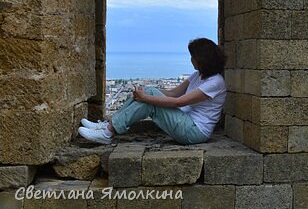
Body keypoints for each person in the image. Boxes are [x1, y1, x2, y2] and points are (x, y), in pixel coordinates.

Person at [78, 38, 227, 145]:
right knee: (149, 91)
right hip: (185, 122)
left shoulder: (215, 82)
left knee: (148, 100)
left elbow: (178, 102)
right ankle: (108, 125)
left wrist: (146, 98)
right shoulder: (198, 75)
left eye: (192, 57)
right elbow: (174, 93)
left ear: (202, 59)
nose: (191, 60)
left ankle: (107, 133)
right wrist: (147, 92)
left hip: (195, 132)